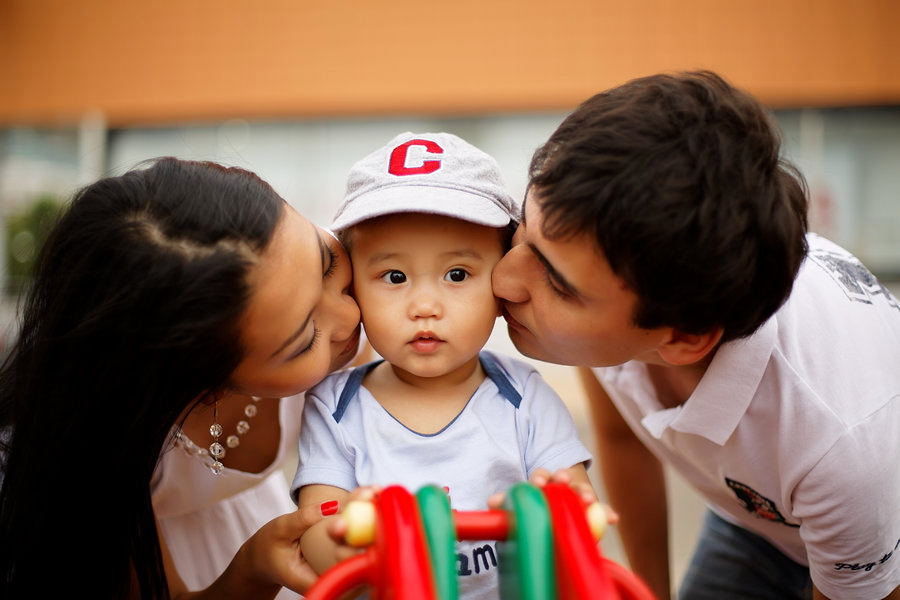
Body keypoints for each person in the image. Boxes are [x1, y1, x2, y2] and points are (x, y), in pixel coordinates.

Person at [490, 70, 900, 600]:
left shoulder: (838, 443)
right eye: (526, 227)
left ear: (684, 339)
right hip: (758, 517)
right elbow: (622, 440)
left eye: (559, 284)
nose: (503, 278)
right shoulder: (637, 291)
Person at [0, 157, 362, 599]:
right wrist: (252, 570)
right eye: (306, 342)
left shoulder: (294, 295)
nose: (351, 314)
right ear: (205, 385)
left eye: (326, 264)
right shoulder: (102, 450)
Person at [291, 132, 594, 599]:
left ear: (502, 283)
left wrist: (570, 509)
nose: (425, 306)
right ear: (353, 289)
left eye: (457, 275)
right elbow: (317, 526)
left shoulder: (525, 397)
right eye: (394, 277)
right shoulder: (335, 407)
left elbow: (573, 506)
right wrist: (355, 542)